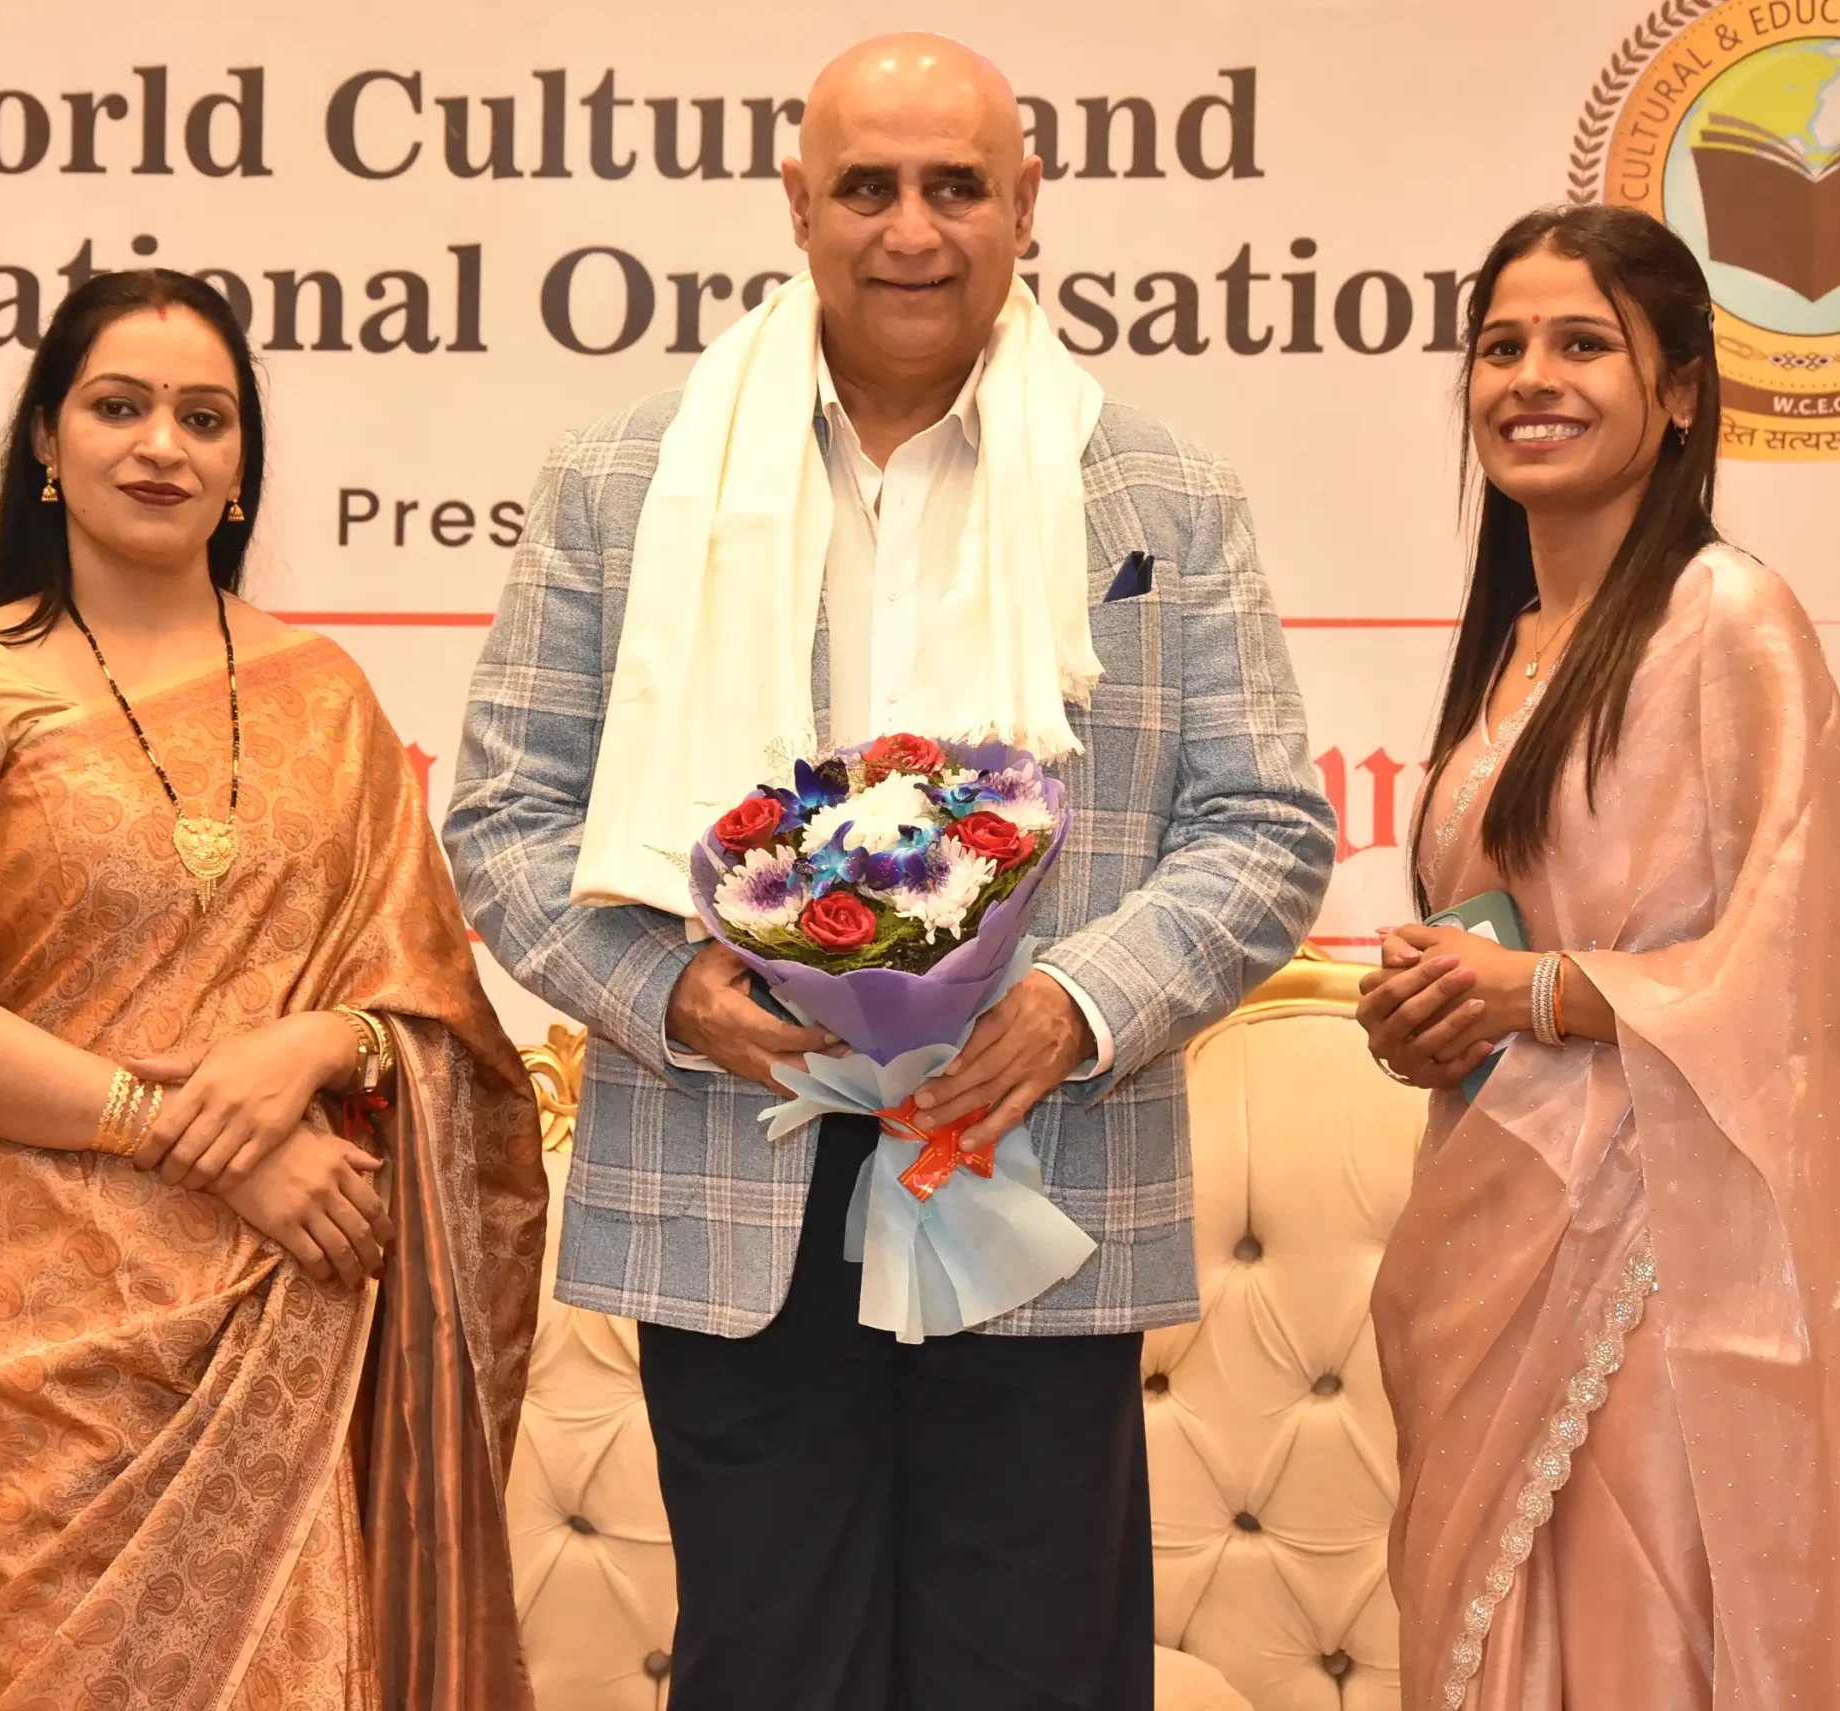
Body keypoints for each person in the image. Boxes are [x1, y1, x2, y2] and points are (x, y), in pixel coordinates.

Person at [445, 33, 1335, 1711]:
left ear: (1027, 205)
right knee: (772, 1669)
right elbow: (505, 813)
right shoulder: (622, 484)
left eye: (954, 187)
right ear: (797, 205)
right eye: (867, 187)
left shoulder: (1163, 493)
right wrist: (677, 993)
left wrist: (1072, 1006)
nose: (911, 230)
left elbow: (1265, 822)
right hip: (737, 1157)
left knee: (1033, 1675)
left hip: (1042, 1156)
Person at [0, 268, 546, 1711]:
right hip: (41, 1332)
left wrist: (324, 1041)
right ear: (47, 440)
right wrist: (202, 1137)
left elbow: (431, 1002)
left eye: (204, 418)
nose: (162, 443)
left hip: (294, 1289)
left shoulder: (324, 692)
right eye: (120, 406)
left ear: (239, 466)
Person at [1357, 205, 1840, 1710]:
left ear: (1684, 391)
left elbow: (1803, 964)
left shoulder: (1729, 618)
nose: (1531, 378)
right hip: (1496, 1209)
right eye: (1501, 346)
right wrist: (1427, 1015)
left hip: (1659, 1253)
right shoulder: (1516, 641)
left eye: (1583, 343)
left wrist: (1540, 992)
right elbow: (1506, 941)